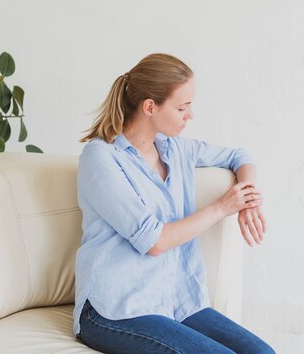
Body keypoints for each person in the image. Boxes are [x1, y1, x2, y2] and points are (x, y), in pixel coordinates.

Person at [75, 53, 275, 354]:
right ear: (149, 107)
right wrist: (222, 207)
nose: (190, 115)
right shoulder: (101, 158)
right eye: (182, 107)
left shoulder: (177, 150)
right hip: (115, 310)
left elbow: (240, 156)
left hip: (178, 303)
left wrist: (247, 199)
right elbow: (153, 240)